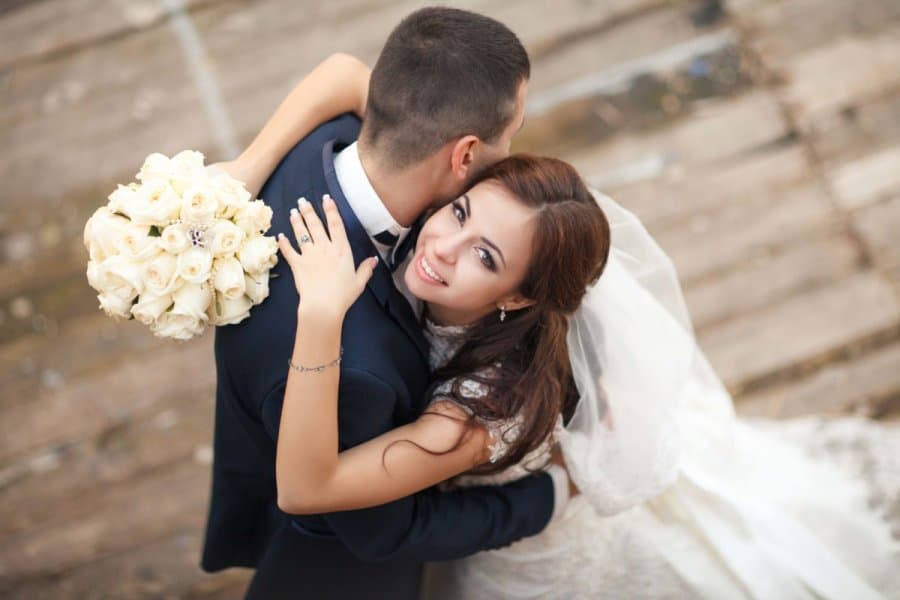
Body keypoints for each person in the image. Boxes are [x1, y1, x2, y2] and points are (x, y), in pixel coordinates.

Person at [219, 34, 900, 600]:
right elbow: (346, 73)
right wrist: (245, 170)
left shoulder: (480, 404)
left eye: (484, 256)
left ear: (516, 296)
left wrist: (321, 313)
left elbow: (308, 488)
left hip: (519, 543)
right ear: (462, 171)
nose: (440, 248)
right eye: (458, 212)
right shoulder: (468, 217)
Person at [200, 9, 575, 599]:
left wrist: (252, 163)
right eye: (512, 132)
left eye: (487, 256)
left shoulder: (319, 146)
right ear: (465, 154)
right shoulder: (359, 372)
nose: (511, 150)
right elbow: (374, 526)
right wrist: (542, 501)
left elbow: (348, 73)